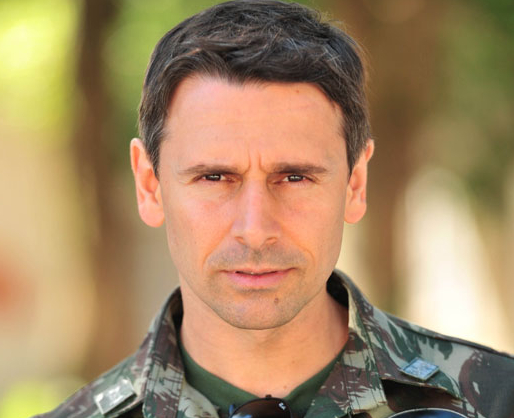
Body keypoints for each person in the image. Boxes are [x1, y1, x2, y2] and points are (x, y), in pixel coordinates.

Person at [34, 1, 514, 418]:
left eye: (295, 177)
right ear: (149, 184)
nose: (255, 229)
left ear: (355, 182)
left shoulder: (496, 401)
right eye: (214, 178)